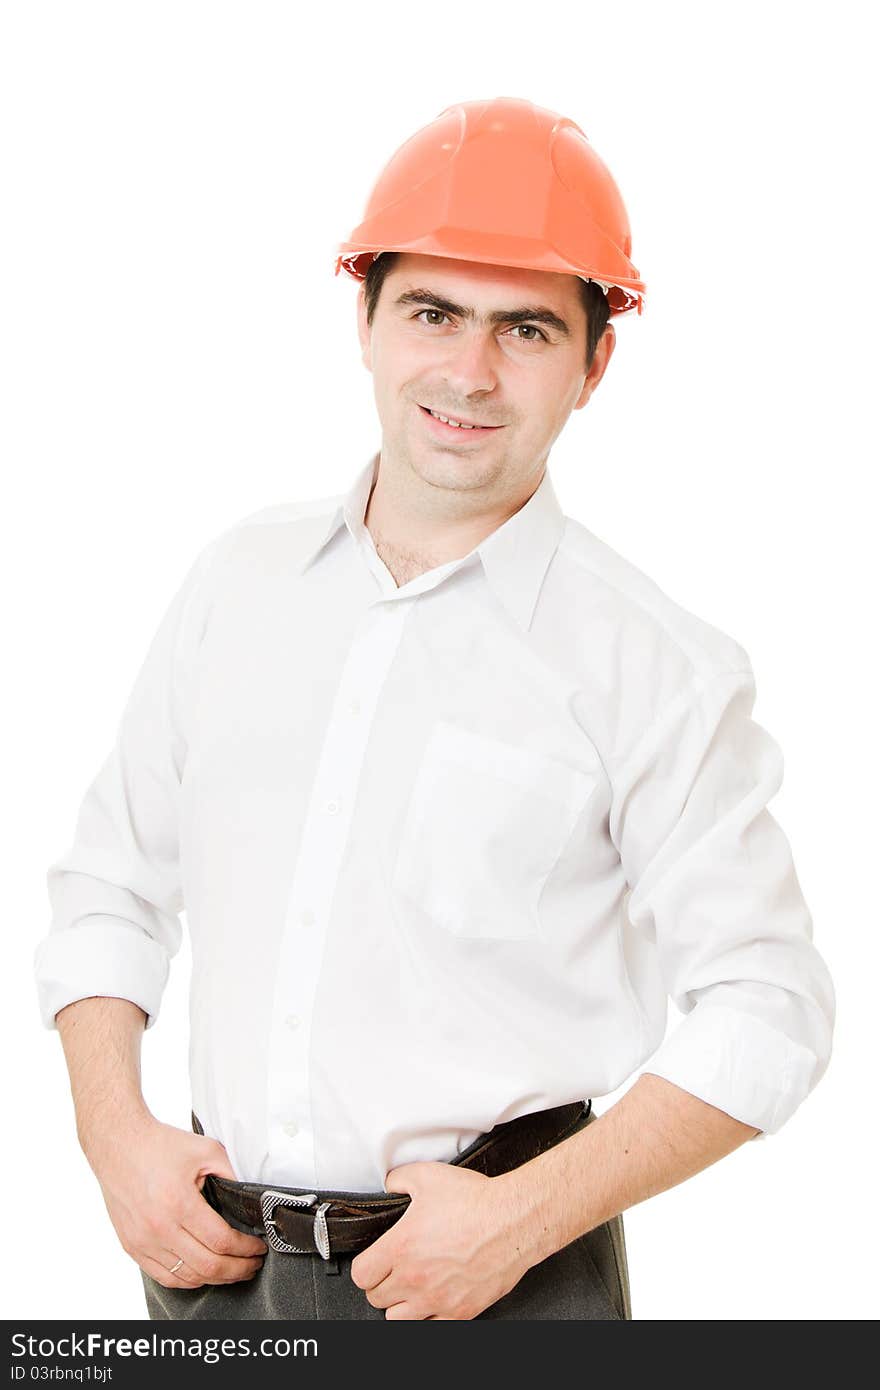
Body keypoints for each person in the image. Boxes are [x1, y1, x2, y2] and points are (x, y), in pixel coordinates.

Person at [34, 95, 835, 1323]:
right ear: (363, 321)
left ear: (593, 363)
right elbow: (109, 886)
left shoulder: (653, 664)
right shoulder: (234, 586)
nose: (467, 372)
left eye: (524, 328)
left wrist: (519, 1220)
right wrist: (113, 1136)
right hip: (209, 1271)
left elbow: (770, 1006)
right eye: (431, 313)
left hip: (498, 1285)